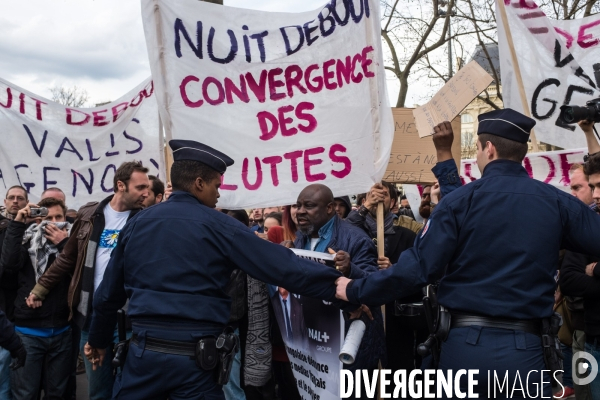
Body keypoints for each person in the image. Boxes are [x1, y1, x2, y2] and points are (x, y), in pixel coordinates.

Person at [335, 108, 600, 398]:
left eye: (476, 148)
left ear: (489, 148)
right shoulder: (557, 202)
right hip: (525, 350)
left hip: (465, 350)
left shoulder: (459, 202)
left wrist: (357, 288)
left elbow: (419, 268)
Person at [83, 140, 343, 399]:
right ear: (199, 183)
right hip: (194, 366)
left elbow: (108, 294)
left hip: (143, 360)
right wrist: (342, 286)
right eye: (216, 186)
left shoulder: (137, 223)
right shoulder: (220, 227)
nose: (219, 194)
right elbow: (284, 267)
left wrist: (97, 340)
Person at [25, 161, 150, 400]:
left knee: (131, 391)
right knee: (98, 391)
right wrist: (40, 289)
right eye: (140, 186)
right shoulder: (89, 214)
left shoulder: (145, 220)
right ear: (121, 186)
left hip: (130, 320)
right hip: (90, 318)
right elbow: (67, 258)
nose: (146, 192)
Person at [1, 197, 72, 400]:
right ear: (38, 220)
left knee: (57, 394)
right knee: (25, 394)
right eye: (48, 217)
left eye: (59, 216)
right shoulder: (27, 241)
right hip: (28, 333)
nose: (54, 221)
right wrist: (18, 222)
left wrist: (65, 244)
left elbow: (80, 272)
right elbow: (9, 264)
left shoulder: (73, 244)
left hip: (62, 331)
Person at [560, 152, 600, 398]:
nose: (596, 195)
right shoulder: (586, 228)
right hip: (590, 337)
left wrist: (596, 269)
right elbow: (569, 279)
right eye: (593, 187)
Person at [0, 185, 28, 399]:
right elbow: (8, 266)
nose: (15, 201)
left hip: (26, 313)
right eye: (12, 198)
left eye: (20, 198)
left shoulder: (35, 228)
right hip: (5, 311)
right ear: (5, 201)